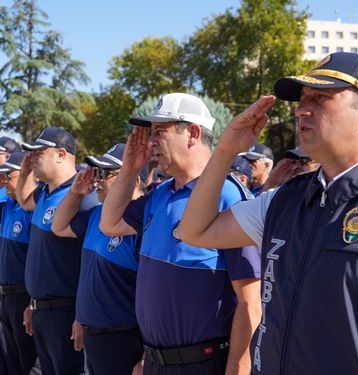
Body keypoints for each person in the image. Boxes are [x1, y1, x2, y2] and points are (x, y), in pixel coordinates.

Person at [178, 52, 358, 375]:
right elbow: (194, 230)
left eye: (321, 98)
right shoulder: (285, 200)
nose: (302, 109)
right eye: (301, 99)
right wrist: (226, 149)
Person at [100, 93, 261, 375]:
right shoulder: (160, 193)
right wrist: (128, 170)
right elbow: (110, 223)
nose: (150, 142)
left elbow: (250, 303)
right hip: (155, 361)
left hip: (202, 363)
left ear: (193, 134)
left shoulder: (228, 194)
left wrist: (237, 369)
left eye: (160, 132)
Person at [52, 144, 144, 375]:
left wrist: (146, 356)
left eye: (106, 173)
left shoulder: (142, 225)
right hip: (93, 334)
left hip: (123, 337)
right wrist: (75, 192)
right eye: (97, 173)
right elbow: (59, 226)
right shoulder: (97, 215)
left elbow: (154, 299)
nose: (98, 180)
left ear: (134, 181)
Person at [17, 127, 99, 374]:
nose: (33, 159)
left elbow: (92, 264)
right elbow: (23, 201)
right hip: (42, 309)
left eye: (39, 153)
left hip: (66, 312)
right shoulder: (44, 191)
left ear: (62, 154)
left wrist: (81, 315)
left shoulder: (84, 196)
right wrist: (33, 304)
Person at [0, 152, 39, 375]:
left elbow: (37, 261)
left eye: (9, 175)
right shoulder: (9, 207)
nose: (4, 180)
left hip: (22, 295)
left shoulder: (31, 210)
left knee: (27, 361)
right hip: (5, 295)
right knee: (12, 357)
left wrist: (32, 303)